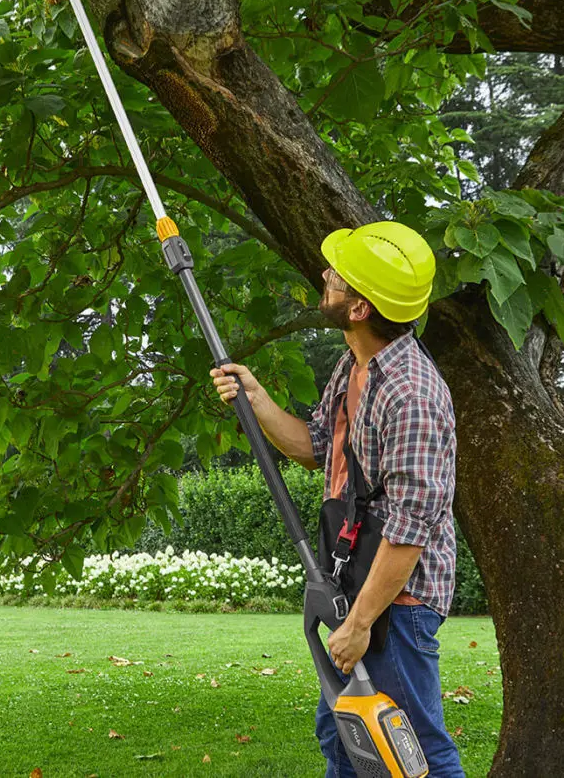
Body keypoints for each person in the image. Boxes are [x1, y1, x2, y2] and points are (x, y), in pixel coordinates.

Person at [210, 221, 464, 777]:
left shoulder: (412, 395)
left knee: (418, 750)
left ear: (359, 308)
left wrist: (359, 623)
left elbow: (410, 530)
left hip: (397, 602)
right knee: (346, 740)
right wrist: (256, 398)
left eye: (337, 277)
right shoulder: (354, 366)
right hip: (359, 583)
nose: (325, 275)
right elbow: (318, 447)